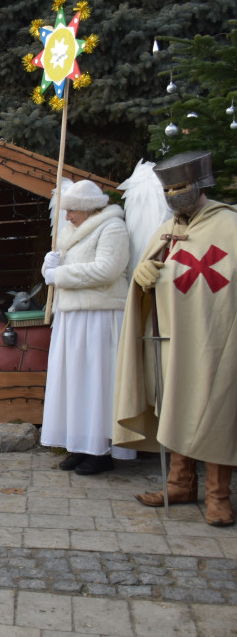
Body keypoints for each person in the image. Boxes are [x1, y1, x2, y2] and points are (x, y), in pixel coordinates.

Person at [114, 151, 237, 527]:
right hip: (171, 340)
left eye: (180, 187)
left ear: (200, 185)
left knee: (215, 412)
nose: (173, 195)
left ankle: (218, 496)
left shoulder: (229, 225)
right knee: (176, 405)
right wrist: (144, 276)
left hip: (217, 340)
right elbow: (151, 278)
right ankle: (180, 484)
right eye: (167, 189)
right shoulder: (167, 230)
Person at [39, 180, 135, 475]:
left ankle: (101, 450)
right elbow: (58, 271)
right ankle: (80, 445)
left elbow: (107, 270)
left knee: (96, 382)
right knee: (74, 383)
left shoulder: (112, 227)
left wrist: (58, 274)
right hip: (71, 317)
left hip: (99, 316)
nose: (66, 216)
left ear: (88, 208)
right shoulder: (70, 232)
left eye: (72, 210)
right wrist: (48, 266)